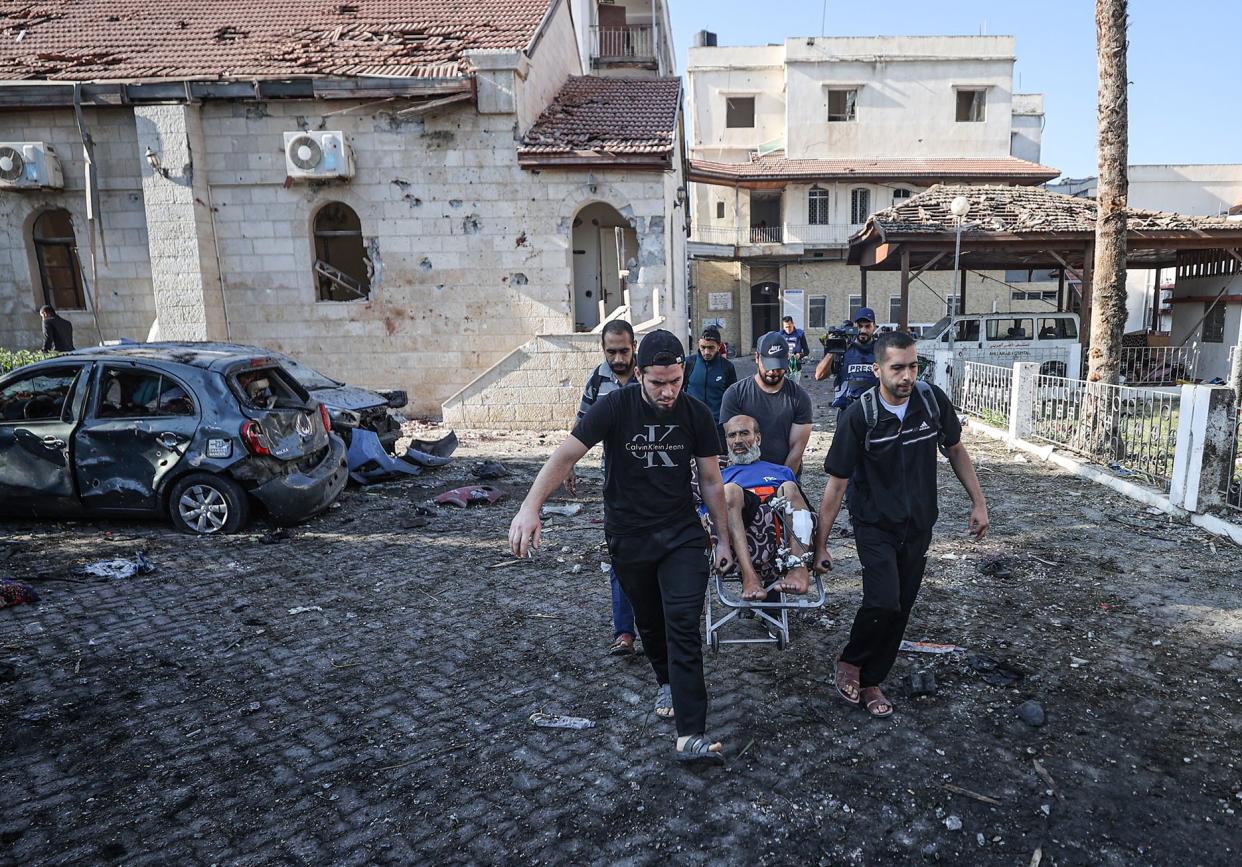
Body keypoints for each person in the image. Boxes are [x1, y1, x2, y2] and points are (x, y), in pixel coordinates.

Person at [509, 330, 735, 764]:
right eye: (657, 382)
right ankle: (665, 679)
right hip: (629, 536)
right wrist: (530, 507)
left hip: (681, 535)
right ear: (639, 374)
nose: (668, 391)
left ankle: (691, 733)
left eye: (675, 381)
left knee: (683, 625)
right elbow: (566, 454)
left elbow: (710, 479)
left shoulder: (696, 414)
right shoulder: (614, 406)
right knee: (650, 624)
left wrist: (723, 537)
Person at [812, 331, 989, 719]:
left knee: (901, 606)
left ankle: (873, 678)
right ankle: (850, 661)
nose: (907, 376)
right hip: (874, 523)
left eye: (913, 366)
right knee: (883, 599)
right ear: (877, 370)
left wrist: (979, 502)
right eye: (897, 368)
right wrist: (820, 545)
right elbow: (836, 484)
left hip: (920, 524)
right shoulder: (860, 415)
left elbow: (955, 448)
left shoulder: (930, 401)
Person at [570, 320, 641, 657]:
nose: (617, 358)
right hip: (615, 483)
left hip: (656, 483)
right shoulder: (598, 380)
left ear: (634, 346)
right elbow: (581, 426)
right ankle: (624, 633)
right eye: (610, 351)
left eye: (623, 351)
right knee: (621, 559)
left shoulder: (651, 376)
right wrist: (568, 464)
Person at [706, 414, 817, 600]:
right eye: (732, 435)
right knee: (730, 490)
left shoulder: (782, 471)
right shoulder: (720, 476)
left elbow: (805, 510)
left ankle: (798, 569)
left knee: (790, 487)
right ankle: (750, 577)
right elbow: (707, 518)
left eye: (744, 433)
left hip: (780, 531)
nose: (738, 441)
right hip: (739, 521)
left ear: (758, 438)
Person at [718, 331, 812, 475]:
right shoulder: (735, 394)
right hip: (744, 474)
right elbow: (734, 445)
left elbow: (796, 449)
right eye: (768, 365)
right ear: (757, 357)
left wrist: (783, 481)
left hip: (785, 472)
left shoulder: (800, 398)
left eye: (779, 366)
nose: (773, 372)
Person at [815, 307, 878, 422]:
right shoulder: (843, 349)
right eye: (859, 326)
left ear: (874, 327)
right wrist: (834, 348)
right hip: (847, 411)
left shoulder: (881, 349)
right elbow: (819, 375)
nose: (863, 330)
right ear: (854, 327)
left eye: (867, 326)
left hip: (875, 410)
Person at [683, 327, 737, 451]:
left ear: (719, 346)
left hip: (718, 427)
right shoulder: (689, 363)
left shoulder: (727, 367)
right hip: (692, 425)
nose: (706, 352)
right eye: (703, 347)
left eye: (711, 348)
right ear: (699, 345)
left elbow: (733, 398)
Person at [779, 316, 810, 382]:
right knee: (782, 388)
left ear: (793, 324)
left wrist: (799, 355)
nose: (788, 329)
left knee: (794, 388)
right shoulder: (780, 335)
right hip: (783, 367)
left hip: (795, 366)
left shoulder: (800, 334)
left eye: (789, 326)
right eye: (786, 327)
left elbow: (806, 351)